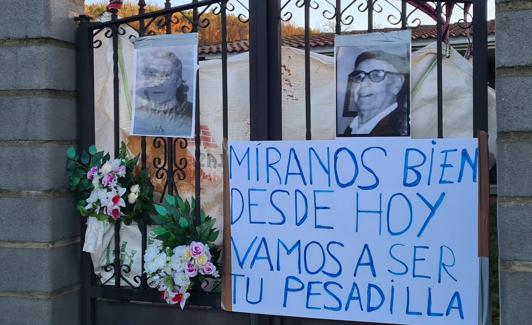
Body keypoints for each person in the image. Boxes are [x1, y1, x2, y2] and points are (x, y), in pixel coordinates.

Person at [341, 50, 409, 136]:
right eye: (359, 77)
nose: (363, 83)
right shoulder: (350, 129)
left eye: (376, 75)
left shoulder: (400, 131)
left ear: (396, 84)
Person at [133, 51, 193, 136]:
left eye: (165, 75)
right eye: (152, 74)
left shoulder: (192, 113)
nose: (157, 82)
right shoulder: (136, 115)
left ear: (178, 82)